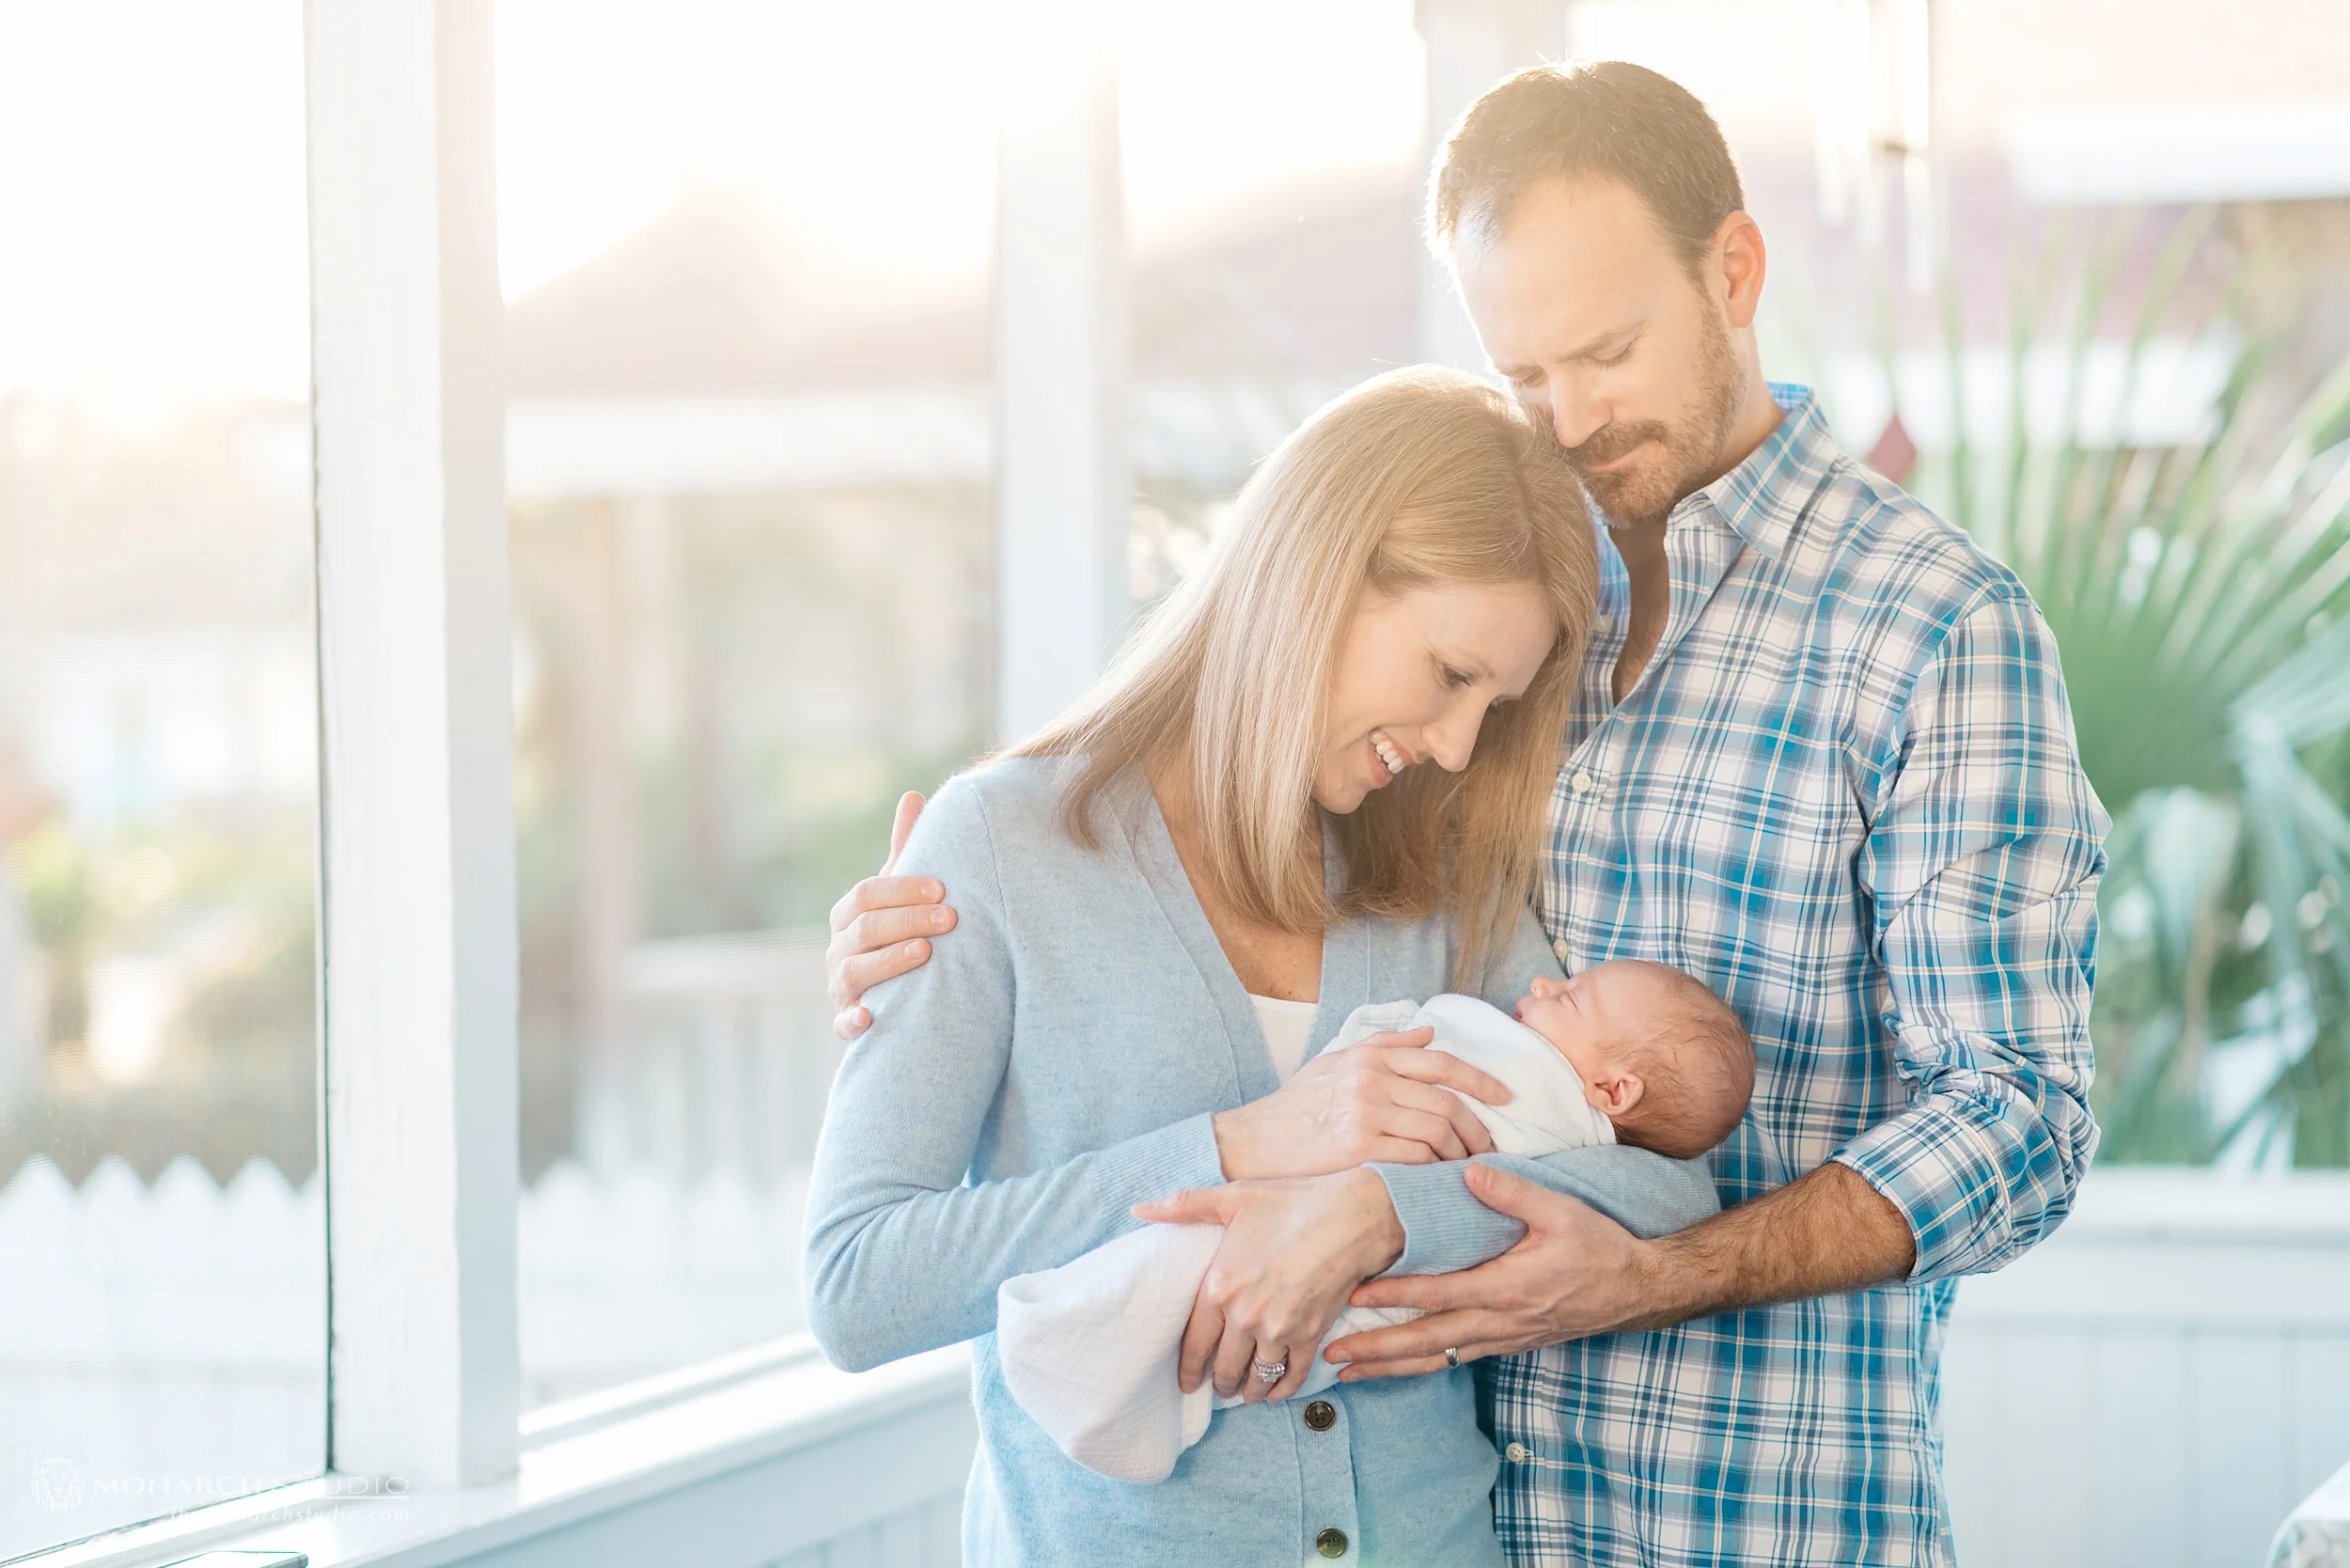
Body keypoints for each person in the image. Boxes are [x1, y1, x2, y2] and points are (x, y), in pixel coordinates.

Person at [823, 61, 2107, 1566]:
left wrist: (1631, 1270)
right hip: (1497, 1517)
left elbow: (2025, 1119)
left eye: (1607, 351)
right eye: (1524, 378)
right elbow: (912, 1214)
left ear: (1737, 272)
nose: (1566, 420)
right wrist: (917, 961)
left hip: (1754, 1514)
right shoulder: (1500, 628)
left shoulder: (1932, 630)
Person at [801, 367, 1720, 1567]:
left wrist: (1378, 1216)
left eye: (1489, 709)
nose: (1453, 747)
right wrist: (1241, 1147)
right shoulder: (999, 847)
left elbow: (1663, 1191)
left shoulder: (1434, 887)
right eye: (1449, 676)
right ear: (1316, 579)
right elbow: (858, 1285)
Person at [995, 964, 1754, 1483]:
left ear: (1612, 1089)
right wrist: (1253, 1141)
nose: (1543, 982)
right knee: (1204, 1287)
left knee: (1206, 1285)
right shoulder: (1581, 1144)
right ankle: (1117, 1369)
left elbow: (1679, 1203)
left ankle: (1095, 1353)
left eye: (1573, 997)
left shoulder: (1526, 1067)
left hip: (1393, 1359)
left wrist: (1386, 1207)